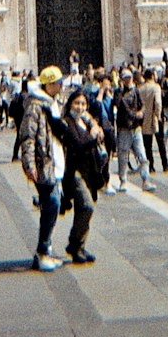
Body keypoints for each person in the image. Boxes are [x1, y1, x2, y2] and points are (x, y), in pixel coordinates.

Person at [19, 65, 69, 270]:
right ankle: (42, 252)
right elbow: (28, 136)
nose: (61, 85)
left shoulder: (53, 103)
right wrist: (29, 164)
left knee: (53, 203)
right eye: (58, 82)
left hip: (54, 161)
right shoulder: (35, 106)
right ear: (49, 84)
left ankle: (45, 251)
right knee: (53, 202)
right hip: (43, 163)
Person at [60, 85, 107, 264]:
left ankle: (79, 246)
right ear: (70, 104)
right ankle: (74, 244)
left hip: (89, 170)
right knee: (87, 206)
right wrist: (94, 136)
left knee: (83, 208)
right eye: (77, 103)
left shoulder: (85, 121)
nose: (80, 107)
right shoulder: (67, 121)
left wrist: (97, 129)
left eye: (83, 104)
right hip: (74, 171)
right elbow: (78, 143)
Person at [114, 70, 155, 192]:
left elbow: (142, 104)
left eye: (130, 77)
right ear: (121, 79)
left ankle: (146, 180)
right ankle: (123, 181)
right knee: (123, 156)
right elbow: (119, 105)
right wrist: (134, 114)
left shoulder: (136, 90)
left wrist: (141, 112)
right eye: (125, 78)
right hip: (124, 128)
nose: (128, 80)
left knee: (142, 155)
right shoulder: (118, 92)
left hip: (135, 128)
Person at [138, 67, 168, 173]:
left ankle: (150, 166)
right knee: (160, 143)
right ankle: (165, 164)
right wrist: (158, 115)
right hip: (154, 118)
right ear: (152, 76)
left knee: (148, 145)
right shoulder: (156, 87)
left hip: (144, 119)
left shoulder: (140, 88)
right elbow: (158, 103)